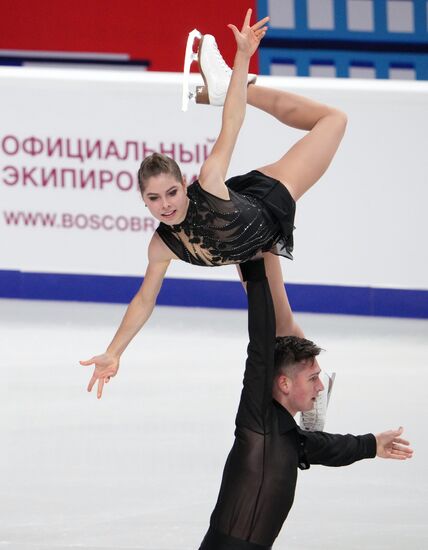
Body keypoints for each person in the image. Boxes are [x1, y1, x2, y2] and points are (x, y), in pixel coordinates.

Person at [80, 9, 347, 404]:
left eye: (171, 192)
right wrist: (115, 350)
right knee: (283, 327)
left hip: (263, 201)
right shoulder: (161, 246)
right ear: (143, 200)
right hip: (247, 245)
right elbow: (143, 300)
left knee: (334, 119)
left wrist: (242, 59)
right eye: (153, 198)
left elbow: (233, 123)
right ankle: (317, 395)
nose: (165, 205)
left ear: (183, 185)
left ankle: (230, 86)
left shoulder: (207, 179)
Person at [198, 257, 413, 549]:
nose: (321, 385)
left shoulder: (290, 438)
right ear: (284, 384)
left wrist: (372, 444)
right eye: (313, 378)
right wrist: (250, 258)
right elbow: (261, 336)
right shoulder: (257, 423)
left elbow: (331, 447)